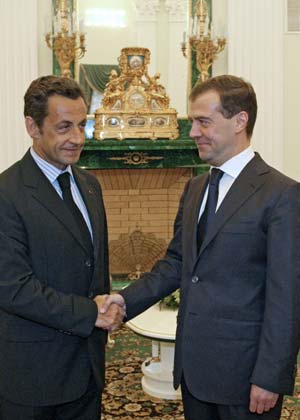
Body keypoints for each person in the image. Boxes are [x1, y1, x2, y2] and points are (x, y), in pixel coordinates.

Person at [101, 74, 300, 420]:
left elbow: (288, 298)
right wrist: (124, 299)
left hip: (246, 376)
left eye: (203, 121)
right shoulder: (195, 188)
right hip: (194, 371)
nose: (192, 131)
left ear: (240, 121)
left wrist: (271, 376)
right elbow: (177, 263)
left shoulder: (282, 195)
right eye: (193, 121)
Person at [0, 75, 124, 420]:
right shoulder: (6, 194)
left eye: (82, 125)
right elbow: (12, 288)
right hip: (33, 377)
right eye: (64, 126)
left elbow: (94, 267)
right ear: (32, 126)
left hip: (88, 370)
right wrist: (91, 313)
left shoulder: (90, 184)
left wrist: (109, 306)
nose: (77, 138)